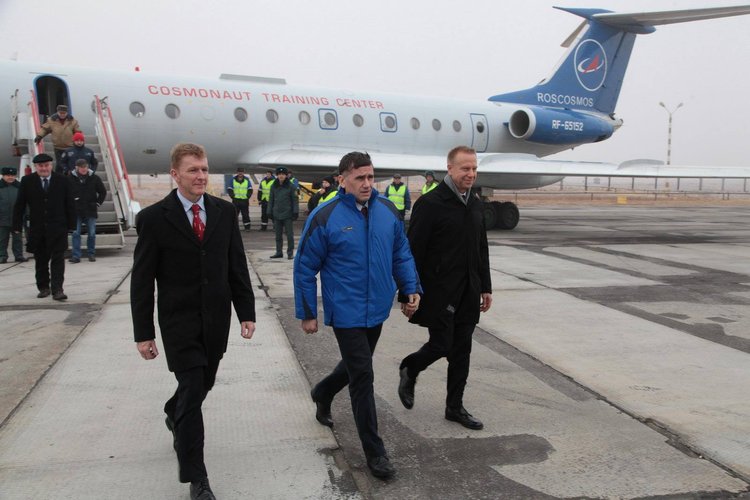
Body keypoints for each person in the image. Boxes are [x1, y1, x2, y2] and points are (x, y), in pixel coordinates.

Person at [131, 142, 256, 500]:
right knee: (192, 388)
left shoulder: (223, 212)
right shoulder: (154, 219)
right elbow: (142, 282)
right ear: (175, 174)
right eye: (193, 170)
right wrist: (144, 333)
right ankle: (196, 478)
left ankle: (173, 411)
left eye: (204, 169)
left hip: (216, 320)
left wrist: (245, 312)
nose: (201, 176)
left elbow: (237, 267)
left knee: (201, 386)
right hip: (178, 322)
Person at [294, 151, 421, 479]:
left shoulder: (387, 211)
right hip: (346, 311)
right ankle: (375, 453)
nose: (367, 183)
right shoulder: (326, 216)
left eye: (370, 176)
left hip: (377, 308)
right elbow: (305, 265)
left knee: (354, 367)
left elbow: (401, 253)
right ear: (342, 179)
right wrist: (308, 312)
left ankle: (322, 392)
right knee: (363, 376)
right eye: (359, 178)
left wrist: (410, 288)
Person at [397, 146, 492, 431]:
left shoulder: (475, 203)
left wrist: (485, 286)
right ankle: (411, 367)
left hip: (468, 291)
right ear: (449, 168)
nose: (471, 174)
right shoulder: (431, 203)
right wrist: (407, 290)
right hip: (438, 291)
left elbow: (481, 248)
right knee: (442, 344)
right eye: (465, 169)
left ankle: (455, 407)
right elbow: (411, 251)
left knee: (462, 351)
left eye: (474, 168)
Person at [12, 153, 75, 300]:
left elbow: (70, 203)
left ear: (51, 165)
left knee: (58, 259)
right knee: (41, 260)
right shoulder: (27, 181)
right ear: (36, 167)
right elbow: (20, 205)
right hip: (38, 228)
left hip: (58, 227)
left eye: (46, 165)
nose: (44, 168)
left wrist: (72, 224)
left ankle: (58, 289)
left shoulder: (62, 180)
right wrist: (16, 225)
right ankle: (43, 287)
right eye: (41, 166)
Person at [68, 159, 107, 263]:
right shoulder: (70, 179)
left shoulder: (94, 178)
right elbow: (66, 193)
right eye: (81, 167)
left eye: (85, 167)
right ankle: (76, 256)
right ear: (76, 167)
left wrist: (97, 203)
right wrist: (71, 203)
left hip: (90, 210)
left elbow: (102, 192)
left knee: (92, 233)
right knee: (76, 233)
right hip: (76, 211)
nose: (84, 169)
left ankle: (91, 254)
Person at [33, 105, 81, 173]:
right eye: (60, 113)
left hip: (70, 146)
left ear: (67, 113)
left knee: (70, 163)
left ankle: (69, 178)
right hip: (58, 147)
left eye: (64, 113)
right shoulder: (51, 120)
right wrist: (39, 136)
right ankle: (58, 177)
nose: (62, 115)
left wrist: (79, 141)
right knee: (60, 164)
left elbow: (77, 131)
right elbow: (45, 129)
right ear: (57, 112)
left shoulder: (72, 121)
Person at [267, 166, 298, 259]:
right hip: (277, 214)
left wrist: (295, 211)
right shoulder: (274, 186)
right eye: (279, 174)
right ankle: (279, 252)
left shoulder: (291, 186)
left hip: (287, 214)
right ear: (277, 175)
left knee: (289, 235)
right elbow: (271, 199)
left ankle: (290, 253)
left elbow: (294, 200)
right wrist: (269, 211)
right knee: (278, 235)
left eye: (283, 174)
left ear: (286, 175)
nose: (281, 176)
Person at [0, 167, 27, 263]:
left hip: (17, 218)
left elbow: (25, 202)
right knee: (2, 239)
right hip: (2, 218)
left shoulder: (20, 187)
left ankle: (18, 255)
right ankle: (2, 256)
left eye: (12, 175)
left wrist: (26, 214)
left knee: (17, 239)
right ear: (3, 176)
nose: (10, 177)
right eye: (8, 175)